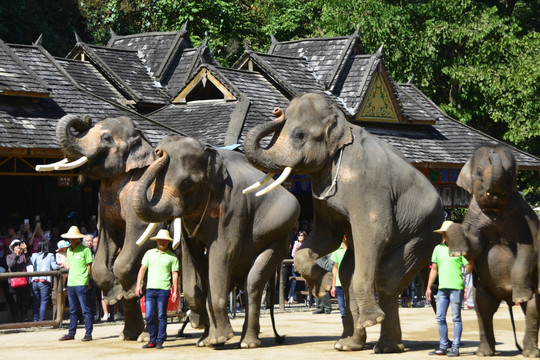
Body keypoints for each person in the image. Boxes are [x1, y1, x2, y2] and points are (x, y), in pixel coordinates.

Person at [426, 220, 473, 357]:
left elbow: (468, 269)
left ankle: (455, 347)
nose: (446, 235)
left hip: (456, 288)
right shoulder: (438, 249)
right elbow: (434, 269)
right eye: (445, 233)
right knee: (440, 317)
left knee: (456, 318)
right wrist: (429, 287)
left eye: (448, 233)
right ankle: (443, 346)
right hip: (442, 289)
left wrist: (470, 262)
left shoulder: (459, 250)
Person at [135, 229, 179, 349]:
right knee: (148, 316)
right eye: (160, 240)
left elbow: (175, 274)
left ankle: (160, 340)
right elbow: (142, 269)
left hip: (163, 290)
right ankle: (152, 340)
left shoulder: (172, 257)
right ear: (156, 240)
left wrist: (175, 290)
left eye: (165, 240)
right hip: (150, 289)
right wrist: (138, 284)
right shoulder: (149, 253)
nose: (162, 242)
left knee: (161, 315)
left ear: (168, 242)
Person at [58, 226, 94, 342]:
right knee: (73, 310)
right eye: (71, 238)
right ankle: (71, 333)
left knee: (85, 309)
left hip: (81, 282)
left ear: (78, 239)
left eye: (74, 238)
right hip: (71, 283)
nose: (72, 240)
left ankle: (88, 333)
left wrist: (87, 280)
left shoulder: (85, 250)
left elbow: (89, 267)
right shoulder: (69, 250)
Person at [30, 241, 61, 321]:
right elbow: (54, 267)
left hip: (34, 281)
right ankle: (41, 321)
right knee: (44, 301)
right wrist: (61, 266)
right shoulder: (50, 255)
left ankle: (35, 320)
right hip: (44, 281)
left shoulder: (34, 255)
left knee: (36, 301)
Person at [6, 238, 31, 321]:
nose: (17, 246)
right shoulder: (9, 256)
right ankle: (15, 318)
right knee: (15, 301)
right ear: (12, 247)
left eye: (18, 244)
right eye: (15, 245)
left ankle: (23, 317)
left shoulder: (23, 255)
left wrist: (26, 250)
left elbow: (28, 260)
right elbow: (11, 265)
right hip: (13, 282)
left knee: (23, 300)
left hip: (23, 281)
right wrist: (17, 255)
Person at [330, 236, 348, 326]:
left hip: (350, 283)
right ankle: (346, 330)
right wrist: (333, 286)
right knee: (342, 309)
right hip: (339, 283)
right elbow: (335, 269)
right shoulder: (337, 250)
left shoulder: (353, 250)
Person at [287, 230, 307, 304]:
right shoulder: (296, 244)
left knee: (304, 282)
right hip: (295, 265)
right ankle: (291, 296)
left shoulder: (306, 244)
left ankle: (306, 298)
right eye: (299, 235)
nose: (300, 237)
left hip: (304, 265)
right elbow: (293, 255)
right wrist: (296, 249)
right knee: (294, 281)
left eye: (302, 235)